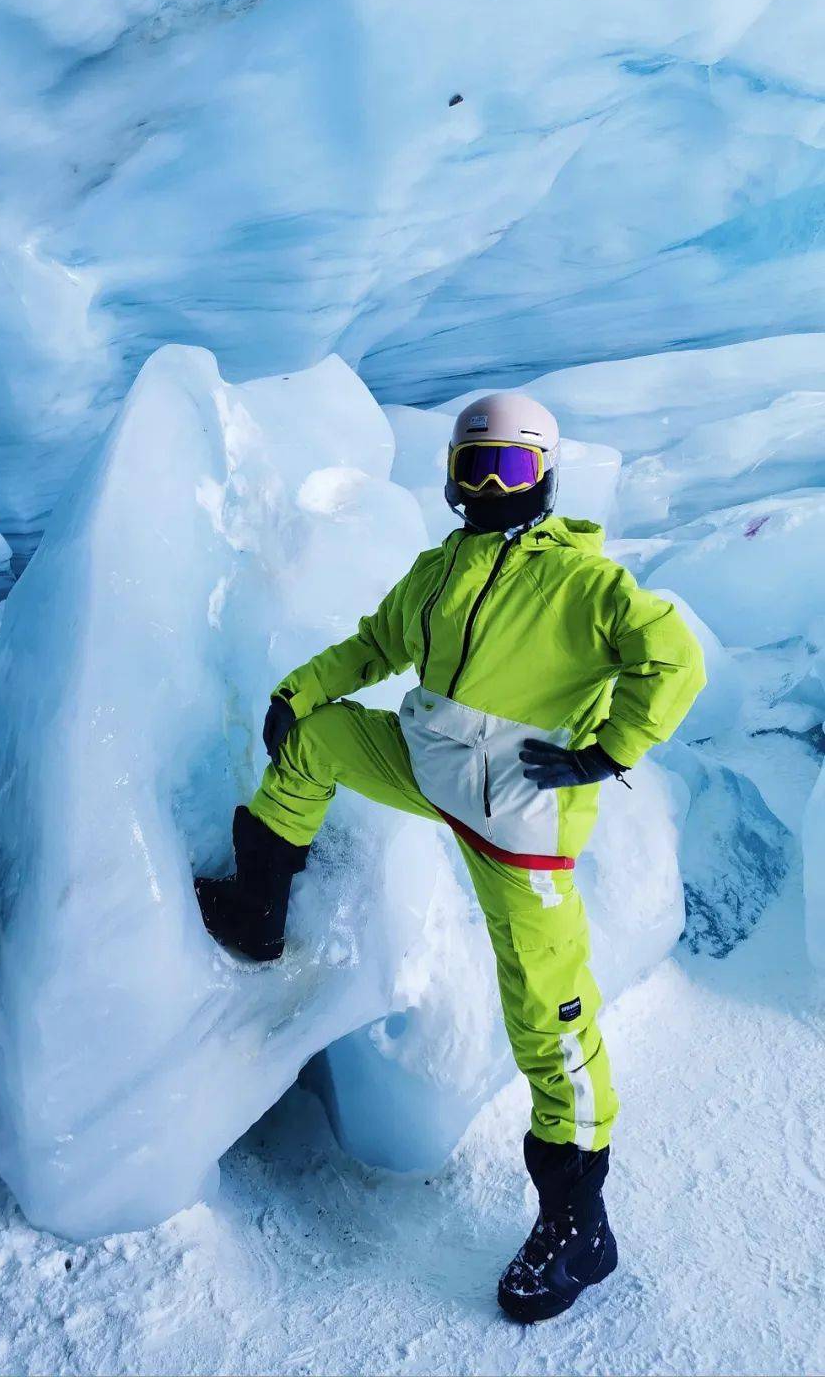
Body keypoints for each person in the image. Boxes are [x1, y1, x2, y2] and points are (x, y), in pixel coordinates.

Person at [195, 391, 705, 1323]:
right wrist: (298, 691)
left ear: (543, 475)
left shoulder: (583, 585)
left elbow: (673, 659)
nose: (485, 486)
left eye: (505, 469)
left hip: (520, 830)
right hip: (427, 772)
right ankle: (259, 915)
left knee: (549, 1016)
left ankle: (579, 1225)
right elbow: (376, 645)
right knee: (317, 742)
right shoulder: (439, 571)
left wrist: (611, 748)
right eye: (472, 468)